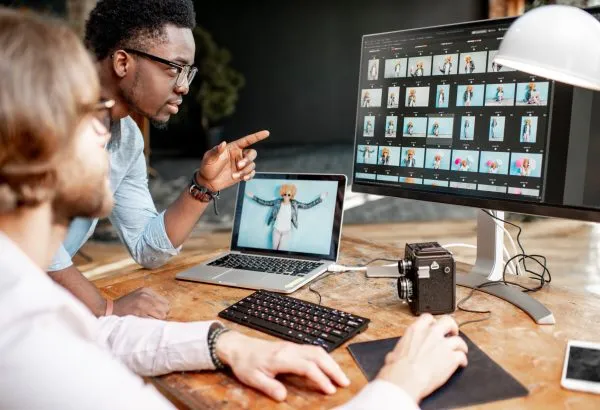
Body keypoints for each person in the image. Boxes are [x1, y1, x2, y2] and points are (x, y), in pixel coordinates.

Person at [0, 9, 469, 409]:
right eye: (88, 109)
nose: (108, 129)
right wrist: (398, 387)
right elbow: (72, 337)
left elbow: (97, 332)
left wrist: (224, 343)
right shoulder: (27, 344)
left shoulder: (25, 299)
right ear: (30, 146)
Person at [47, 0, 269, 319]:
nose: (183, 87)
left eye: (188, 73)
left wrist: (203, 186)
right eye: (174, 68)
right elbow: (26, 245)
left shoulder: (125, 140)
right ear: (122, 62)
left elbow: (147, 249)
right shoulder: (40, 112)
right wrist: (104, 308)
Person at [245, 185, 326, 250]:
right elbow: (265, 202)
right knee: (274, 250)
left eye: (289, 194)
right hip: (276, 229)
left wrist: (320, 199)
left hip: (287, 231)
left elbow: (307, 205)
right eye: (285, 194)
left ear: (291, 196)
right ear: (282, 194)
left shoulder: (295, 204)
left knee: (281, 251)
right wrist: (253, 196)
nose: (286, 196)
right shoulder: (277, 202)